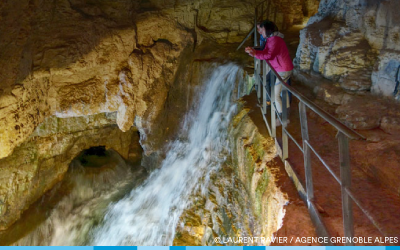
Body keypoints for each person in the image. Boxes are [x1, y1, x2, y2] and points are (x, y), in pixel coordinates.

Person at [245, 20, 293, 125]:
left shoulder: (274, 39)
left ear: (267, 29)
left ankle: (283, 119)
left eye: (261, 29)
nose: (260, 32)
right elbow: (266, 51)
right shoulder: (271, 39)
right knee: (280, 91)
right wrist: (254, 51)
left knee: (276, 95)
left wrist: (254, 54)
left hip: (283, 70)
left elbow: (268, 55)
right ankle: (283, 112)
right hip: (279, 68)